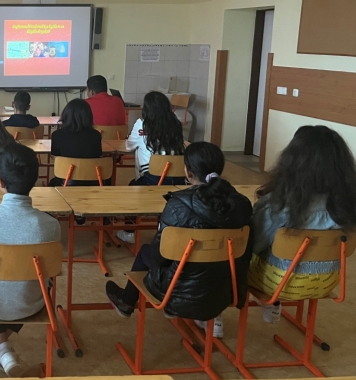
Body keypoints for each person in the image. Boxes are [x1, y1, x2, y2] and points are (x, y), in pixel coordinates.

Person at [105, 142, 253, 339]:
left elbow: (160, 255)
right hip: (226, 287)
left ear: (188, 172)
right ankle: (211, 315)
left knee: (147, 251)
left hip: (176, 290)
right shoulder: (242, 204)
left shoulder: (177, 205)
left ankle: (127, 301)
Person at [248, 126, 356, 322]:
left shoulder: (280, 205)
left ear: (293, 161)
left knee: (235, 252)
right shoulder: (347, 204)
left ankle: (217, 310)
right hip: (328, 281)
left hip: (280, 282)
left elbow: (253, 245)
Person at [0, 143, 61, 376]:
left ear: (0, 181)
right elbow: (49, 275)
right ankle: (1, 347)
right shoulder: (50, 225)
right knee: (40, 281)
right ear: (35, 180)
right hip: (31, 303)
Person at [125, 91, 186, 185]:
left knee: (133, 184)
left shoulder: (141, 124)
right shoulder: (176, 124)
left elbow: (129, 147)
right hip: (178, 177)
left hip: (153, 178)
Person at [49, 98, 104, 187]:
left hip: (66, 181)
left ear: (66, 115)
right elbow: (98, 155)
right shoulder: (96, 135)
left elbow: (55, 157)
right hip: (93, 181)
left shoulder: (57, 135)